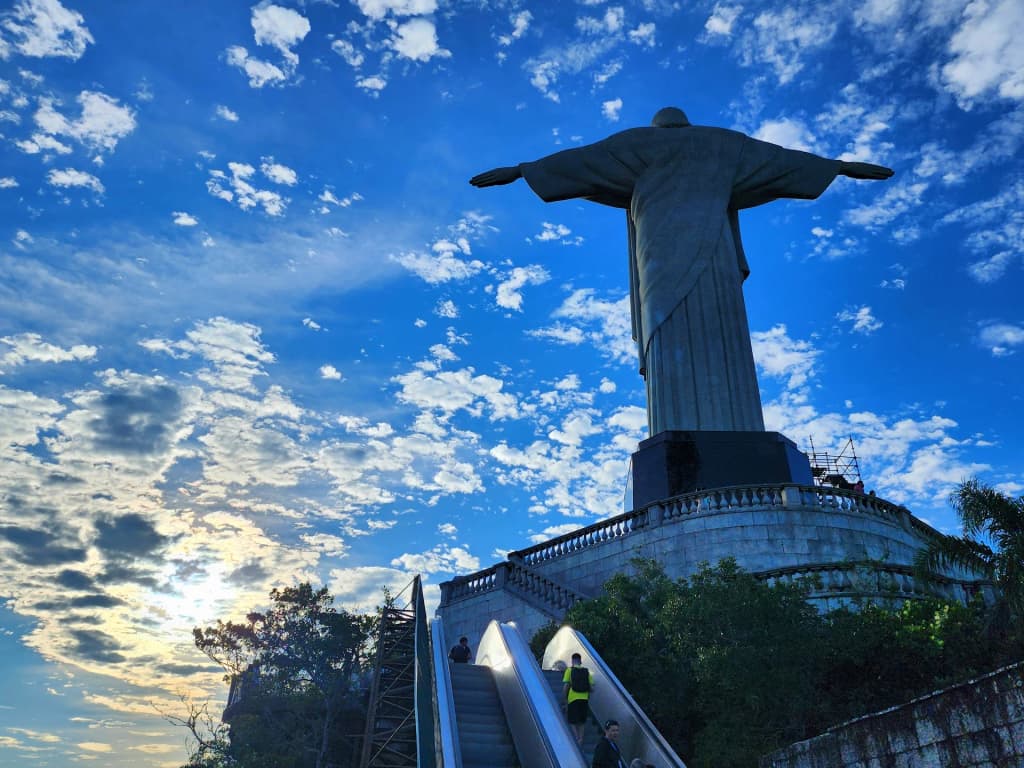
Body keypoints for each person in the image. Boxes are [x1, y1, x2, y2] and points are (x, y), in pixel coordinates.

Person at [471, 107, 893, 438]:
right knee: (678, 327)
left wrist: (523, 170)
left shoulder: (636, 143)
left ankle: (709, 428)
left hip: (662, 250)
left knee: (682, 322)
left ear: (658, 127)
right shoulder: (723, 143)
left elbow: (582, 162)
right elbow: (779, 162)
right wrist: (837, 166)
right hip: (693, 248)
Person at [562, 652, 594, 745]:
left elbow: (566, 685)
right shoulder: (586, 672)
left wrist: (564, 699)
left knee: (572, 720)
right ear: (580, 661)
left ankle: (576, 738)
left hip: (573, 698)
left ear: (572, 661)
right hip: (584, 699)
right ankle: (581, 739)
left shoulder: (569, 670)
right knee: (582, 721)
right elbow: (592, 688)